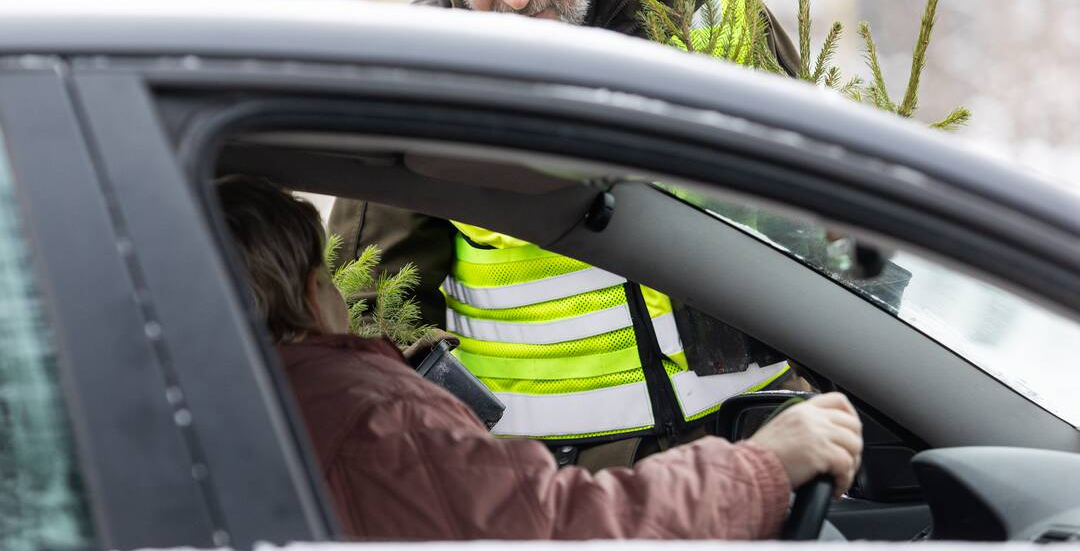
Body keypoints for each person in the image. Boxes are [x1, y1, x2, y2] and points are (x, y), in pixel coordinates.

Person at [330, 0, 806, 469]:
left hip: (759, 431)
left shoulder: (712, 12)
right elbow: (374, 300)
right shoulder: (418, 85)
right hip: (560, 482)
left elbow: (825, 211)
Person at [218, 175, 863, 540]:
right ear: (309, 292)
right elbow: (554, 530)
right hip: (579, 473)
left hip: (696, 434)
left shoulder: (233, 408)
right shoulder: (365, 420)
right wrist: (761, 470)